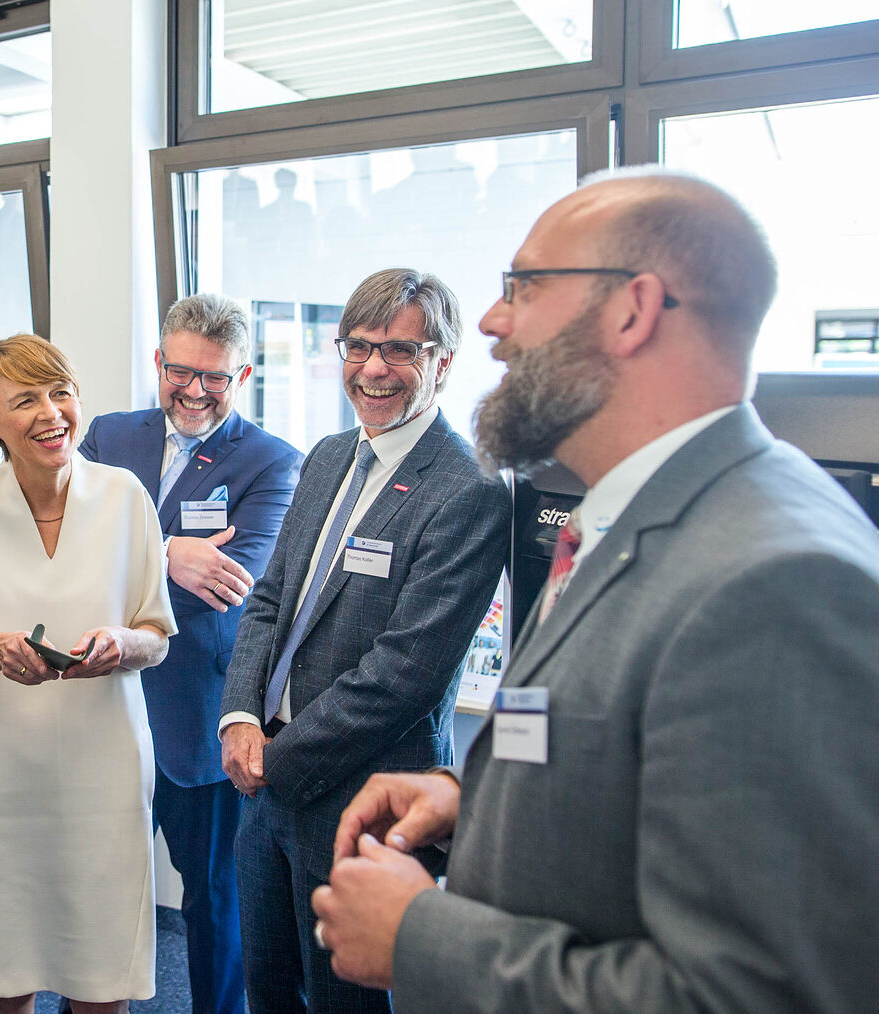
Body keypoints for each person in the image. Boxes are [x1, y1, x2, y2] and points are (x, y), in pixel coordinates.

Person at [310, 169, 879, 1012]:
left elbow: (762, 993)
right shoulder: (633, 514)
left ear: (632, 311)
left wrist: (421, 936)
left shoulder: (777, 580)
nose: (497, 324)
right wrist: (479, 802)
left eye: (526, 288)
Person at [218, 268, 511, 1013]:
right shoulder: (323, 457)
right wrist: (240, 719)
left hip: (364, 802)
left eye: (402, 351)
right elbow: (271, 601)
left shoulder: (469, 489)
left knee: (345, 1001)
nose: (375, 368)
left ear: (443, 363)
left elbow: (402, 674)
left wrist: (274, 760)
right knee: (269, 989)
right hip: (267, 786)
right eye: (360, 346)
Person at [0, 335, 178, 1014]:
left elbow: (157, 637)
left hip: (107, 769)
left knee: (105, 977)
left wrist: (120, 644)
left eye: (60, 391)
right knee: (7, 977)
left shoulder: (126, 498)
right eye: (25, 399)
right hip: (2, 773)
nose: (50, 412)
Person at [79, 293, 302, 1014]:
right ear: (159, 362)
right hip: (100, 702)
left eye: (217, 377)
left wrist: (120, 553)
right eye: (183, 372)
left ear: (241, 375)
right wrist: (169, 551)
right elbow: (57, 542)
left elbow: (232, 583)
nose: (197, 391)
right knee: (94, 891)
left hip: (199, 715)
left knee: (214, 903)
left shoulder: (273, 463)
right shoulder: (108, 439)